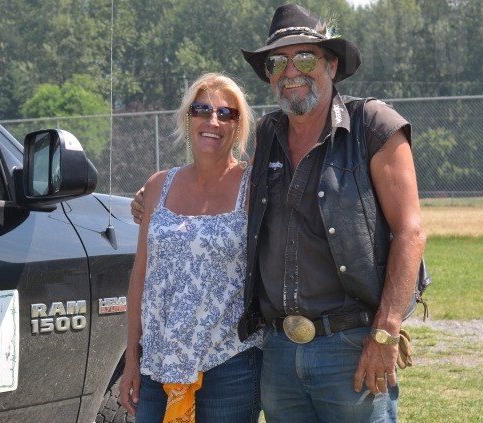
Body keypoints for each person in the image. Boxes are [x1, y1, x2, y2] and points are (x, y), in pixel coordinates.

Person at [131, 4, 426, 422]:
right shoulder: (270, 133)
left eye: (305, 57)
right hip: (279, 352)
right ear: (268, 75)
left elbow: (410, 232)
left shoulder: (372, 124)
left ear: (331, 65)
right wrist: (153, 194)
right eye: (277, 62)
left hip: (351, 345)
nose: (291, 71)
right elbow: (218, 184)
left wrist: (386, 331)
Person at [118, 72, 263, 422]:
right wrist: (132, 361)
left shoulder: (254, 187)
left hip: (229, 364)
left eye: (226, 114)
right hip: (157, 365)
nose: (213, 120)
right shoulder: (157, 187)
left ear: (239, 126)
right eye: (202, 110)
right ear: (188, 117)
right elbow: (141, 277)